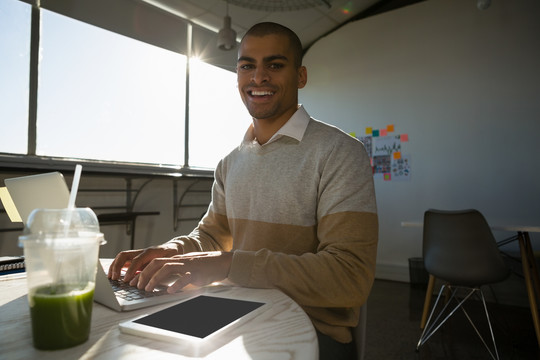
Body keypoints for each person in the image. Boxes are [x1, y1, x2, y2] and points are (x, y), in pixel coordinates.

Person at [108, 22, 378, 360]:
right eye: (247, 65)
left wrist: (226, 265)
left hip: (311, 328)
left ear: (301, 76)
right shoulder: (230, 162)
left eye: (275, 65)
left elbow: (349, 277)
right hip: (230, 311)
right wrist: (170, 251)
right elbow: (211, 237)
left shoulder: (340, 153)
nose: (258, 77)